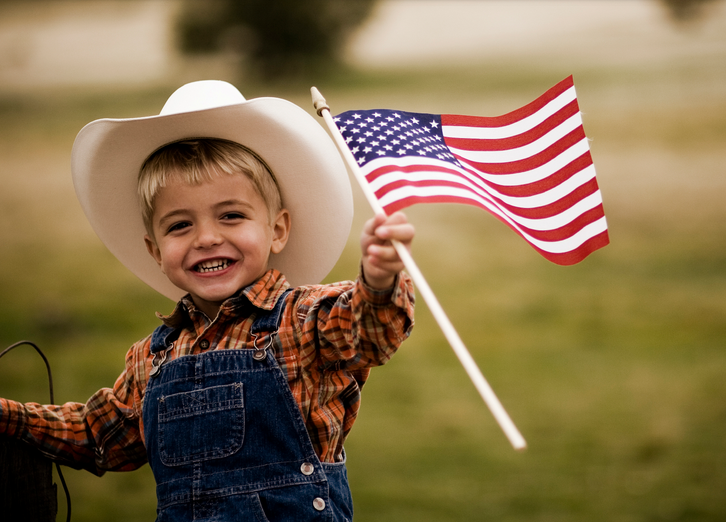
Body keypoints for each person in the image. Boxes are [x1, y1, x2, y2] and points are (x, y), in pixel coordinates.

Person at [0, 80, 415, 521]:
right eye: (179, 225)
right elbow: (99, 435)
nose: (207, 238)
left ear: (277, 229)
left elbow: (369, 331)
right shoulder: (154, 356)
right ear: (155, 250)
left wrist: (379, 279)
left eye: (231, 216)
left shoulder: (302, 319)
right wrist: (7, 415)